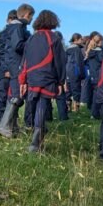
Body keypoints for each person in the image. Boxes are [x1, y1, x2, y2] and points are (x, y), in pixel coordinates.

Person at [19, 10, 67, 153]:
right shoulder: (54, 38)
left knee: (34, 105)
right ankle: (36, 143)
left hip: (32, 77)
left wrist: (22, 80)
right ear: (53, 21)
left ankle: (35, 138)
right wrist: (61, 82)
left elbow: (25, 61)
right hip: (47, 77)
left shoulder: (31, 39)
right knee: (42, 106)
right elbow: (60, 62)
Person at [0, 3, 34, 138]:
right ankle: (4, 126)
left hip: (14, 64)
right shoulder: (17, 27)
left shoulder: (16, 27)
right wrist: (31, 44)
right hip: (16, 65)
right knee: (16, 96)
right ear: (27, 15)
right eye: (31, 17)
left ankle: (12, 126)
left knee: (16, 95)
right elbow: (17, 45)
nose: (31, 20)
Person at [63, 33, 85, 116]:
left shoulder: (67, 49)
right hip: (75, 71)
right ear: (76, 40)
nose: (82, 41)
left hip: (67, 71)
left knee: (68, 89)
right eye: (81, 39)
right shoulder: (77, 49)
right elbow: (79, 62)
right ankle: (76, 108)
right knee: (76, 89)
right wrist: (82, 74)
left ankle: (68, 107)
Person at [84, 32, 103, 118]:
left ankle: (93, 112)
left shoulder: (90, 52)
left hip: (92, 75)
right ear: (100, 42)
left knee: (94, 94)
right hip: (99, 76)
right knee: (98, 95)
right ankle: (95, 113)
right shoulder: (99, 52)